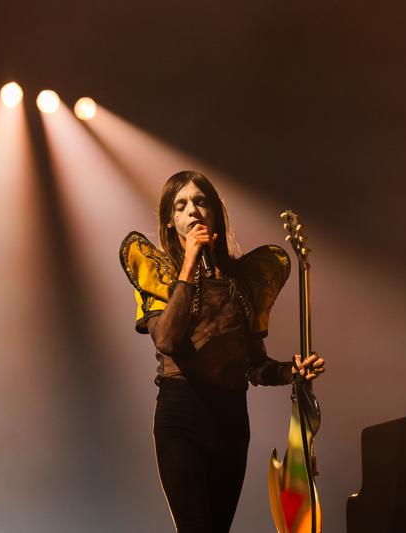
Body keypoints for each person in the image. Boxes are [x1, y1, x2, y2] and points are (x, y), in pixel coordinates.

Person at [119, 170, 325, 533]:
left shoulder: (241, 282)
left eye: (200, 202)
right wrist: (188, 264)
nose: (193, 211)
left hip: (230, 418)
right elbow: (165, 339)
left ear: (214, 211)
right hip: (182, 413)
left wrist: (290, 371)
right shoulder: (158, 272)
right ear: (171, 222)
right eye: (181, 205)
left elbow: (255, 366)